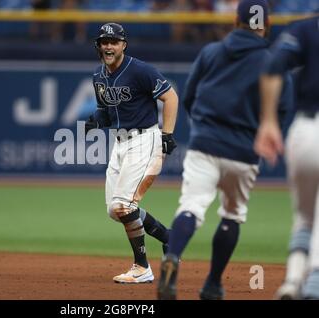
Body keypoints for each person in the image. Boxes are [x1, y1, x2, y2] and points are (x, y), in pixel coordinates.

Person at [157, 0, 292, 300]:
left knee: (191, 206)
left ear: (235, 21)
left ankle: (172, 259)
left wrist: (205, 127)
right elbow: (283, 110)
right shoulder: (273, 62)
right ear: (266, 25)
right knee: (232, 215)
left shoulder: (212, 52)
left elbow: (189, 97)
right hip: (244, 151)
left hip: (206, 143)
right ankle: (213, 283)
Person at [85, 22, 179, 284]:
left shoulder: (139, 70)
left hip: (143, 140)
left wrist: (167, 135)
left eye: (114, 41)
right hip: (119, 144)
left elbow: (171, 97)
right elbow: (108, 111)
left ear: (123, 45)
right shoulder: (98, 76)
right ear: (98, 46)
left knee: (123, 205)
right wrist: (96, 120)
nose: (108, 46)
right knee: (116, 211)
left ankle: (142, 267)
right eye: (104, 42)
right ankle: (170, 238)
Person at [254, 14, 319, 300]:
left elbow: (272, 67)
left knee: (305, 217)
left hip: (305, 130)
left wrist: (268, 121)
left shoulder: (306, 28)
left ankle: (293, 281)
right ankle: (314, 281)